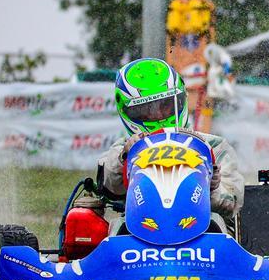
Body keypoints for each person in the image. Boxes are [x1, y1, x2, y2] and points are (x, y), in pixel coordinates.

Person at [97, 57, 244, 229]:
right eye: (146, 110)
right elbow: (109, 185)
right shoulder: (125, 149)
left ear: (180, 99)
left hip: (205, 232)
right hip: (141, 231)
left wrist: (210, 188)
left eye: (165, 105)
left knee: (218, 224)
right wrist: (125, 157)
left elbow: (232, 203)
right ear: (128, 112)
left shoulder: (214, 146)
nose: (158, 115)